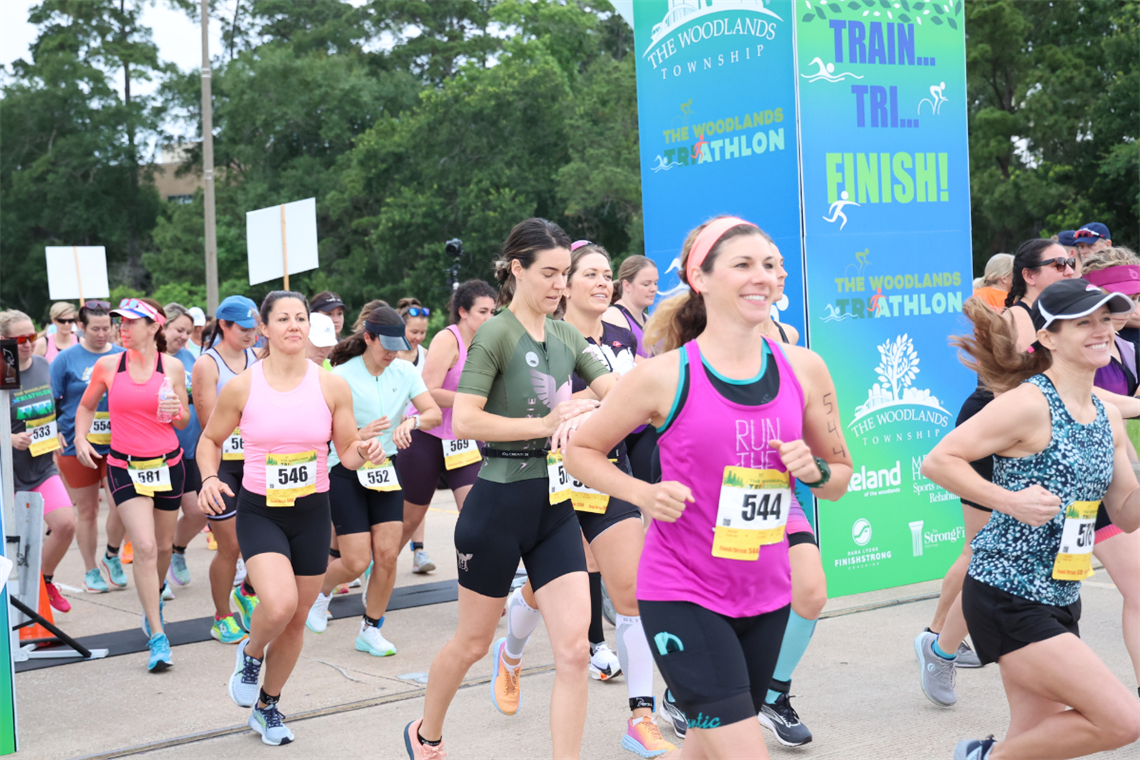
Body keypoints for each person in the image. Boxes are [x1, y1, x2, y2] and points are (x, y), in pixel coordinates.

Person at [562, 216, 853, 760]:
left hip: (766, 594)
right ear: (701, 278)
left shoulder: (806, 369)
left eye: (770, 264)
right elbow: (580, 451)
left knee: (705, 744)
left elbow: (839, 478)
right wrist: (642, 494)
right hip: (682, 591)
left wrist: (813, 471)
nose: (762, 276)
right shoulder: (663, 375)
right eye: (743, 264)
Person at [404, 218, 615, 760]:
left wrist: (591, 404)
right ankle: (425, 732)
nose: (559, 285)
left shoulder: (567, 335)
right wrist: (544, 423)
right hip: (497, 505)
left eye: (565, 274)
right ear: (517, 269)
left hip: (555, 508)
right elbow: (466, 420)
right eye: (549, 273)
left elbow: (617, 393)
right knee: (473, 643)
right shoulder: (495, 333)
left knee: (574, 651)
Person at [922, 280, 1140, 760]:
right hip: (1007, 592)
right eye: (1084, 322)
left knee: (1035, 743)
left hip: (1062, 592)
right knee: (1125, 720)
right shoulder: (1029, 403)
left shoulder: (1107, 415)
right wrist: (1008, 500)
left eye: (1106, 319)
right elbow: (938, 461)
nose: (1101, 330)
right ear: (1047, 338)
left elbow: (1126, 513)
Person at [493, 242, 676, 758]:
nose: (602, 283)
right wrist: (596, 399)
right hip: (551, 478)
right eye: (589, 274)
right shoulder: (541, 338)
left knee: (632, 594)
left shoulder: (621, 336)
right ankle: (511, 651)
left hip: (609, 469)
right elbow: (536, 406)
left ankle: (641, 718)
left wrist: (604, 400)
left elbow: (630, 400)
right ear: (564, 286)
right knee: (548, 586)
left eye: (606, 274)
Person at [197, 291, 386, 746]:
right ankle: (251, 652)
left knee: (297, 619)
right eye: (283, 319)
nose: (294, 326)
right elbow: (210, 440)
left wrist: (366, 450)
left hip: (312, 512)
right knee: (279, 605)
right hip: (261, 511)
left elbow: (346, 452)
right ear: (264, 328)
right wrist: (208, 478)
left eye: (300, 318)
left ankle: (268, 706)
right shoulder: (243, 386)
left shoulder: (330, 385)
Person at [916, 239, 1077, 707]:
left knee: (1014, 552)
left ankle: (942, 644)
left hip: (1040, 440)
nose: (1070, 268)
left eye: (1072, 262)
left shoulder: (1059, 321)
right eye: (1059, 263)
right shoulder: (1016, 319)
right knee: (984, 550)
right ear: (1029, 274)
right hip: (994, 435)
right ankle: (939, 643)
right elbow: (1020, 389)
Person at [305, 306, 442, 656]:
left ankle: (371, 628)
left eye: (399, 347)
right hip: (345, 469)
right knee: (354, 562)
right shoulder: (340, 375)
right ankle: (320, 593)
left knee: (387, 555)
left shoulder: (405, 371)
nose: (393, 354)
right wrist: (358, 435)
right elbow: (320, 429)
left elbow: (433, 413)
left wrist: (411, 422)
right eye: (387, 346)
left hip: (385, 469)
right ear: (368, 338)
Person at [73, 298, 191, 672]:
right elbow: (86, 406)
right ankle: (157, 635)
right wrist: (80, 437)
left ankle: (154, 595)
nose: (122, 328)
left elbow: (184, 420)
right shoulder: (109, 365)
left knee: (163, 546)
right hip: (124, 467)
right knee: (143, 545)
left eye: (130, 323)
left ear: (153, 327)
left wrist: (176, 412)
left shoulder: (171, 367)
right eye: (120, 322)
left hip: (167, 465)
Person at [397, 281, 496, 577]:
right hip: (426, 437)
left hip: (464, 438)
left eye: (493, 311)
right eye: (483, 311)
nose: (490, 317)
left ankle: (479, 581)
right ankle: (377, 568)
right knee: (408, 521)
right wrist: (472, 400)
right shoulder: (447, 339)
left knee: (476, 516)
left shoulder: (489, 342)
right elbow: (428, 391)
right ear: (463, 312)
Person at [192, 295, 261, 644]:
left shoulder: (258, 357)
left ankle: (247, 591)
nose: (251, 335)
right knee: (230, 546)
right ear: (223, 325)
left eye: (254, 328)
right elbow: (209, 423)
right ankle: (221, 615)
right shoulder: (207, 364)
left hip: (255, 460)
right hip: (220, 462)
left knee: (261, 540)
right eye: (244, 329)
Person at [50, 300, 128, 593]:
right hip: (76, 444)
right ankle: (90, 570)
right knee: (88, 510)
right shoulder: (65, 360)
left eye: (106, 328)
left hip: (118, 443)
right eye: (95, 329)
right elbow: (51, 400)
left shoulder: (123, 356)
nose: (101, 334)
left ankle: (112, 555)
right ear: (81, 327)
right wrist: (56, 431)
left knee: (122, 504)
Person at [1, 311, 77, 613]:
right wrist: (8, 438)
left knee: (66, 524)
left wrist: (54, 430)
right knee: (14, 543)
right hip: (8, 473)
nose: (27, 344)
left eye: (31, 337)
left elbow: (48, 408)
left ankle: (44, 581)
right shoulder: (2, 372)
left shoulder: (43, 365)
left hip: (42, 466)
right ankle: (12, 604)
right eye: (19, 339)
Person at [603, 256, 661, 485]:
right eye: (646, 284)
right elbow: (625, 361)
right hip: (625, 423)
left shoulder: (649, 319)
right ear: (626, 285)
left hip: (646, 418)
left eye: (655, 283)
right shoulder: (613, 316)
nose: (653, 289)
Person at [162, 303, 208, 592]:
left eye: (188, 332)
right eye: (179, 330)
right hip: (158, 453)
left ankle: (177, 550)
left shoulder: (190, 358)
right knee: (160, 520)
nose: (184, 336)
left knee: (199, 512)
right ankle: (157, 579)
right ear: (162, 326)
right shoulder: (150, 361)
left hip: (190, 449)